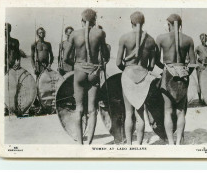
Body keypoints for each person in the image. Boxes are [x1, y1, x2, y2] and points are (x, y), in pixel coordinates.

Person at [63, 8, 110, 144]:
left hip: (79, 72)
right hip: (93, 72)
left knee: (79, 108)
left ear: (81, 20)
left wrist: (77, 65)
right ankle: (89, 142)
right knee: (92, 109)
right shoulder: (100, 33)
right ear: (94, 20)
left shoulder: (74, 34)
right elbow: (106, 56)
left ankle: (80, 142)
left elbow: (66, 58)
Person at [116, 11, 157, 145]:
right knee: (140, 113)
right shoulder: (151, 40)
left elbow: (118, 63)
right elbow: (151, 66)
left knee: (129, 113)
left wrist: (127, 70)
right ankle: (139, 145)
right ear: (143, 22)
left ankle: (129, 144)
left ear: (131, 22)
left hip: (128, 74)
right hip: (144, 76)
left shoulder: (124, 38)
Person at [155, 14, 196, 145]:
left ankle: (171, 143)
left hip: (168, 74)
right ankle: (178, 142)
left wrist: (167, 68)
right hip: (183, 75)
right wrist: (184, 73)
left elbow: (156, 60)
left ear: (169, 25)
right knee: (180, 111)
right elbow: (193, 63)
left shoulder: (161, 38)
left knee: (168, 111)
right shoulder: (188, 39)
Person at [195, 33, 207, 102]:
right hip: (200, 67)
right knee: (200, 82)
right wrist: (199, 66)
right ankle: (200, 99)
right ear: (200, 39)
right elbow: (194, 59)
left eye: (205, 38)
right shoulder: (197, 48)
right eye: (202, 38)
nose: (204, 39)